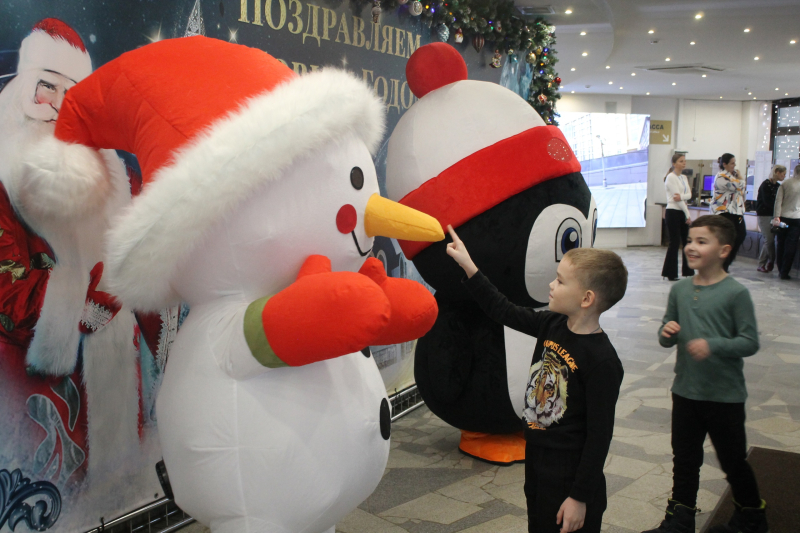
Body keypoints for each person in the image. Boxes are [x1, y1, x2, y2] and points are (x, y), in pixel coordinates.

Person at [446, 224, 626, 533]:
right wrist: (469, 266)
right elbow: (503, 310)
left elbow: (599, 436)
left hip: (570, 472)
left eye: (560, 280)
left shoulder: (603, 362)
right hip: (539, 458)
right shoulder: (552, 324)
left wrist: (579, 497)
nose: (551, 285)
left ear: (586, 299)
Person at [645, 215, 766, 533]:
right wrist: (667, 332)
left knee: (732, 461)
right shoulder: (681, 290)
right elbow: (663, 335)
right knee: (684, 459)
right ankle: (680, 519)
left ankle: (751, 517)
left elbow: (749, 341)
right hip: (685, 390)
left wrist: (713, 345)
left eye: (701, 241)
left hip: (723, 395)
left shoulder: (735, 293)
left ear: (724, 249)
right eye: (689, 240)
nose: (691, 247)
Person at [709, 153, 746, 271]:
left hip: (736, 211)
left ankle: (725, 264)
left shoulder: (732, 176)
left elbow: (741, 189)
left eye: (735, 163)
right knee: (728, 239)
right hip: (724, 211)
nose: (734, 166)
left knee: (741, 235)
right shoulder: (721, 177)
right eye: (732, 163)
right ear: (724, 164)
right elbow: (738, 186)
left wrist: (740, 181)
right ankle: (722, 265)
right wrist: (741, 179)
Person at [661, 154, 694, 281]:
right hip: (673, 212)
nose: (684, 163)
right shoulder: (670, 177)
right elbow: (677, 198)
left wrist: (683, 197)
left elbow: (688, 195)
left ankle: (688, 272)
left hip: (682, 211)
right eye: (681, 161)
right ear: (674, 163)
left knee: (687, 242)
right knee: (674, 243)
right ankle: (670, 273)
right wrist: (688, 214)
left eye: (684, 161)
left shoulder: (684, 177)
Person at [755, 165, 785, 272]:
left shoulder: (778, 186)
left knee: (769, 241)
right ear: (777, 172)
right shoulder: (765, 185)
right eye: (783, 174)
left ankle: (762, 263)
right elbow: (768, 202)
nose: (784, 176)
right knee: (769, 239)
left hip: (774, 215)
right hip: (764, 215)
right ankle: (771, 260)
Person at [773, 164, 800, 280]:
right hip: (797, 218)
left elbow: (778, 202)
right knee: (791, 245)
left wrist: (776, 217)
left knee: (781, 243)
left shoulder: (785, 183)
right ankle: (785, 271)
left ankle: (779, 269)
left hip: (783, 217)